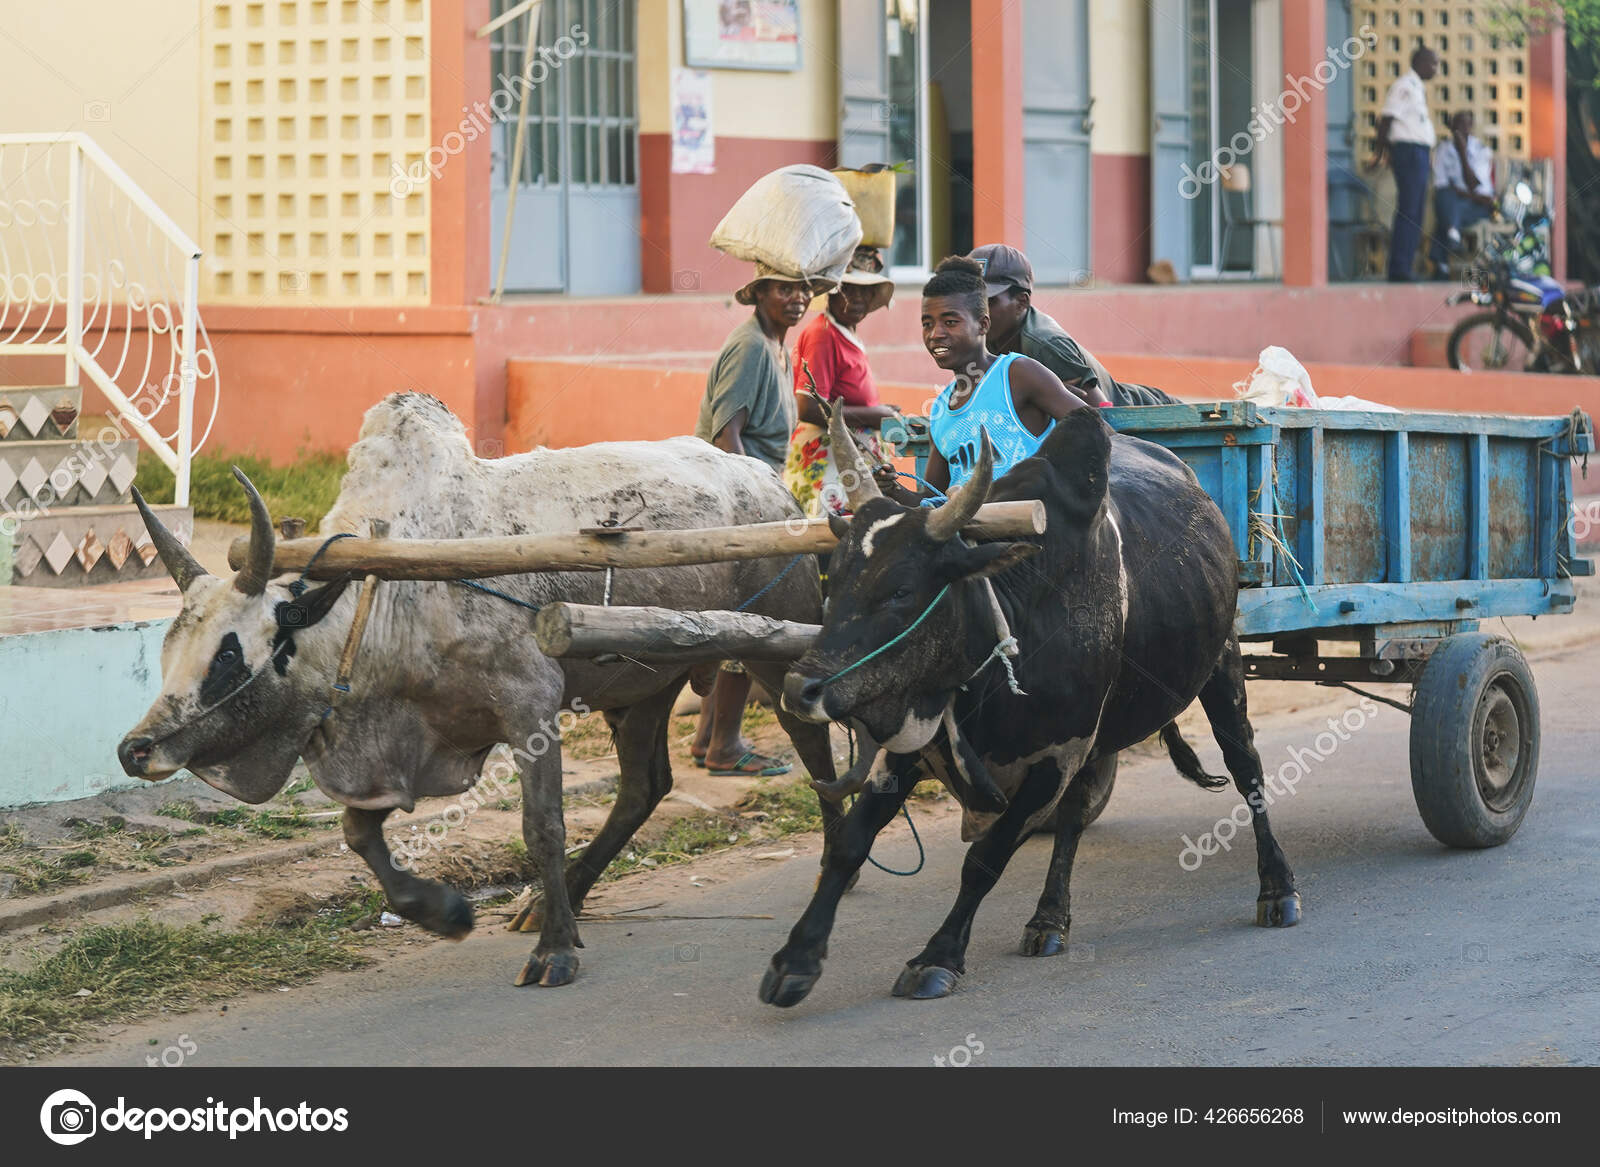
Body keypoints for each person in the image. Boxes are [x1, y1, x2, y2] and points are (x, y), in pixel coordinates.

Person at [690, 263, 820, 776]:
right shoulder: (749, 347)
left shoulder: (776, 347)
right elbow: (728, 436)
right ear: (759, 293)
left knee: (738, 624)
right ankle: (724, 745)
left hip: (756, 494)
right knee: (750, 624)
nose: (796, 298)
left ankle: (708, 739)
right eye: (783, 289)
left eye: (803, 289)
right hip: (736, 500)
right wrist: (754, 516)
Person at [914, 255, 1091, 495]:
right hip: (965, 530)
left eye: (951, 322)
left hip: (1028, 525)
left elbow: (1092, 426)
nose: (935, 334)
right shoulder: (939, 410)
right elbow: (930, 498)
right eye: (927, 324)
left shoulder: (1018, 374)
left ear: (983, 325)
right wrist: (891, 487)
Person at [969, 243, 1178, 407]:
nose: (977, 311)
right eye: (971, 301)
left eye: (990, 301)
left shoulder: (1045, 346)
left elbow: (1103, 412)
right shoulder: (985, 336)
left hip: (1146, 412)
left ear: (1022, 302)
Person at [783, 246, 900, 516]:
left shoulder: (847, 332)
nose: (858, 298)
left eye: (865, 291)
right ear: (834, 293)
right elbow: (810, 408)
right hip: (829, 466)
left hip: (848, 462)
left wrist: (881, 412)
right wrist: (876, 415)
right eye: (850, 289)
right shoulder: (823, 335)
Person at [1370, 47, 1439, 282]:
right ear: (1419, 62)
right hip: (1408, 152)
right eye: (1433, 64)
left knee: (1417, 211)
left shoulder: (1418, 87)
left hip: (1418, 153)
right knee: (1409, 211)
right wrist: (1380, 153)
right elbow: (1386, 120)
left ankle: (1405, 265)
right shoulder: (1405, 86)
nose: (1435, 69)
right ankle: (1399, 269)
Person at [1428, 109, 1496, 278]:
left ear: (1471, 126)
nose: (1461, 129)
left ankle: (1442, 263)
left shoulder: (1481, 150)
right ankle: (1453, 235)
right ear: (1451, 127)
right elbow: (1441, 186)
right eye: (1457, 125)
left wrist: (1463, 154)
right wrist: (1457, 192)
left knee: (1449, 211)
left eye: (1465, 124)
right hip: (1451, 200)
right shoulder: (1443, 150)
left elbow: (1480, 193)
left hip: (1477, 206)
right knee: (1446, 199)